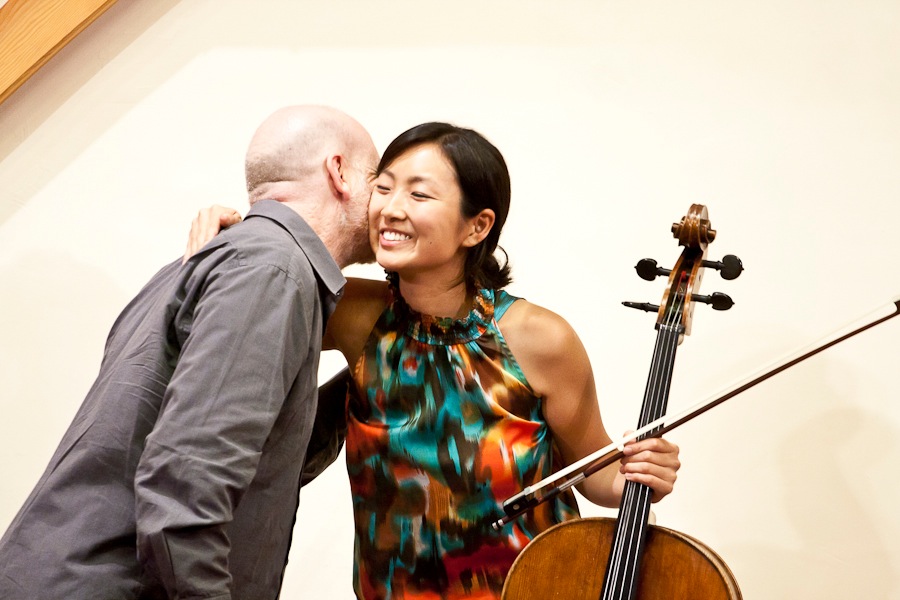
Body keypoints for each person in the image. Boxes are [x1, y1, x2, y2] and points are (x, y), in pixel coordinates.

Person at [188, 122, 681, 599]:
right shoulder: (353, 316)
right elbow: (244, 314)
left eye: (419, 195)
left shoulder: (540, 339)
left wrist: (640, 475)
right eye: (383, 188)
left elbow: (596, 472)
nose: (390, 209)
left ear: (477, 226)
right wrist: (245, 235)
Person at [0, 105, 379, 600]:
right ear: (339, 172)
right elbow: (185, 490)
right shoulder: (273, 270)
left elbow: (248, 463)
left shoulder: (222, 260)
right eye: (379, 179)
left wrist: (374, 383)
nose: (387, 203)